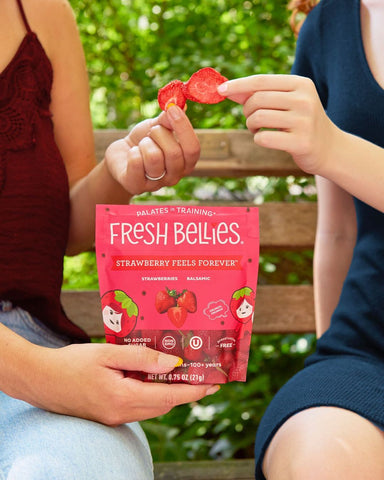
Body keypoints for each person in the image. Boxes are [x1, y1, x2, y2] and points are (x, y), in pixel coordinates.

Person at [0, 0, 220, 478]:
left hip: (34, 345)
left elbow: (66, 229)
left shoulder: (42, 14)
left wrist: (122, 172)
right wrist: (40, 375)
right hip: (36, 369)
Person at [217, 0, 384, 478]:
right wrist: (333, 372)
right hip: (367, 348)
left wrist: (333, 146)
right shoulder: (326, 26)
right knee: (322, 454)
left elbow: (333, 152)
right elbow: (338, 230)